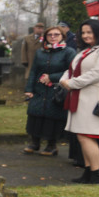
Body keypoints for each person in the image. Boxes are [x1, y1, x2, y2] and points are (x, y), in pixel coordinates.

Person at [59, 19, 99, 184]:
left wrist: (71, 83)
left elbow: (98, 72)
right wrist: (64, 79)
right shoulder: (85, 51)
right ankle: (88, 171)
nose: (85, 35)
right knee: (82, 136)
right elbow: (70, 69)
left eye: (89, 32)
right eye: (83, 32)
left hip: (97, 99)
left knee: (88, 136)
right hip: (81, 99)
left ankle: (97, 173)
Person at [23, 26, 74, 156]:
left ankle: (51, 145)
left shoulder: (69, 52)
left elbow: (71, 71)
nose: (52, 37)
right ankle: (34, 143)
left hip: (57, 89)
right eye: (49, 35)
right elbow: (34, 70)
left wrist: (52, 77)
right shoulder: (40, 52)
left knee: (53, 117)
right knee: (36, 114)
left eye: (56, 34)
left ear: (62, 36)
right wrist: (29, 89)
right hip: (40, 89)